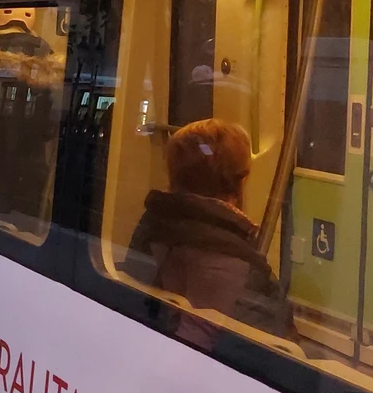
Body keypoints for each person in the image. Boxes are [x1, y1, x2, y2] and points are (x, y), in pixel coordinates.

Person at [125, 118, 296, 338]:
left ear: (173, 176)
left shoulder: (149, 229)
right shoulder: (248, 268)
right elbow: (279, 352)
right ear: (242, 182)